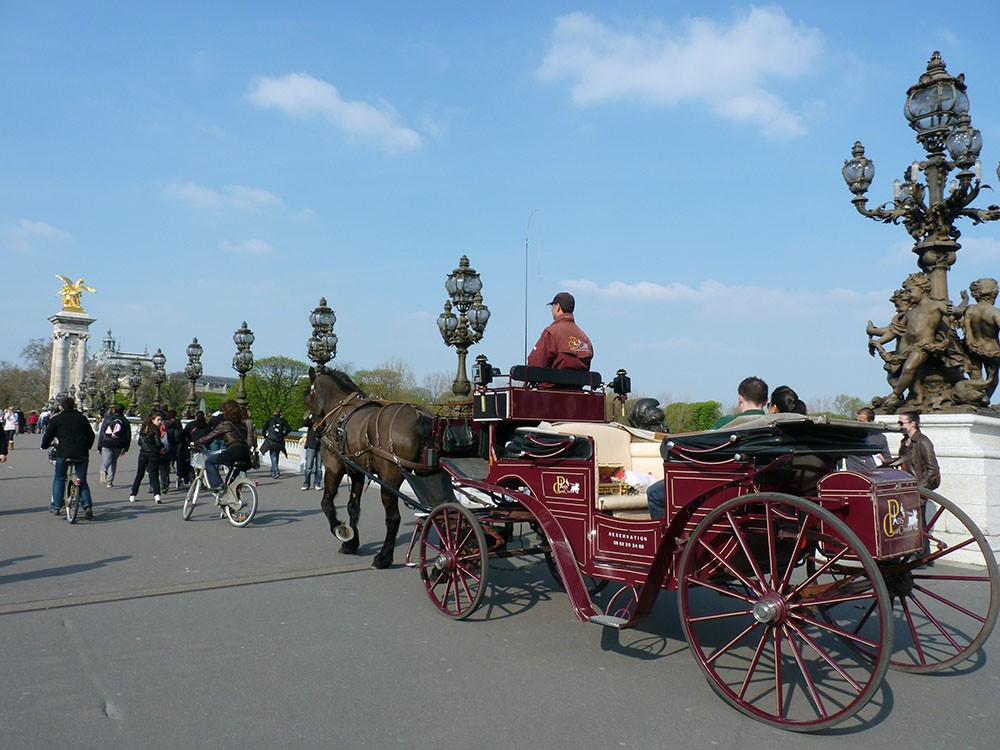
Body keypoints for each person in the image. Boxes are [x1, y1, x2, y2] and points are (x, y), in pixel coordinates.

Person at [40, 397, 95, 518]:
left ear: (61, 407)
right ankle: (87, 506)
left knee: (59, 478)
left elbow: (48, 436)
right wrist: (87, 447)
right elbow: (91, 435)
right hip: (81, 452)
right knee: (82, 480)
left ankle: (56, 506)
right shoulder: (82, 418)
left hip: (64, 452)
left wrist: (44, 446)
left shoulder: (57, 419)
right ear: (74, 405)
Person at [526, 292, 594, 384]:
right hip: (578, 393)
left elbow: (535, 365)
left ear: (557, 307)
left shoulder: (551, 332)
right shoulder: (585, 338)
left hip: (549, 393)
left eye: (552, 306)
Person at [192, 399, 252, 498]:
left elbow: (209, 437)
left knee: (209, 462)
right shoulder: (243, 424)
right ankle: (231, 505)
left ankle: (217, 484)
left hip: (233, 451)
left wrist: (195, 442)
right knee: (230, 482)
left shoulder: (225, 424)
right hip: (245, 454)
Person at [897, 412, 940, 490]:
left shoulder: (923, 441)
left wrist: (920, 487)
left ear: (913, 423)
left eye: (901, 423)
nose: (899, 426)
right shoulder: (904, 441)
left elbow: (933, 469)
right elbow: (904, 460)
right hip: (905, 485)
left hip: (917, 488)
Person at [129, 412, 165, 503]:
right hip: (153, 454)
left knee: (139, 474)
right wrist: (162, 446)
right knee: (154, 475)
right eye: (158, 420)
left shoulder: (143, 429)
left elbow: (139, 442)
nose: (160, 422)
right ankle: (157, 495)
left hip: (143, 453)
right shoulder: (155, 429)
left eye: (161, 420)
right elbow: (158, 443)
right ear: (153, 420)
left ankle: (133, 494)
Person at [845, 406, 892, 471]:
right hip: (854, 475)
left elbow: (888, 458)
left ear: (871, 422)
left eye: (861, 421)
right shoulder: (848, 437)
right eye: (856, 420)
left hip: (873, 476)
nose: (857, 424)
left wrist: (884, 460)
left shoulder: (880, 438)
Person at [96, 403, 131, 487]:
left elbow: (102, 433)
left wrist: (99, 446)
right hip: (118, 444)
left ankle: (103, 470)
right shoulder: (125, 421)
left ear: (113, 410)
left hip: (106, 443)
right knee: (113, 461)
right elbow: (128, 436)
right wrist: (126, 448)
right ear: (123, 411)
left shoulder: (108, 419)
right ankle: (109, 482)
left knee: (107, 460)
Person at [261, 408, 291, 479]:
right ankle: (273, 471)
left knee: (273, 456)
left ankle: (276, 471)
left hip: (271, 440)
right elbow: (289, 429)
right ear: (281, 413)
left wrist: (266, 436)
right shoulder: (283, 420)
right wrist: (283, 434)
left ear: (274, 412)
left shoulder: (270, 420)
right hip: (279, 440)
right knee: (276, 455)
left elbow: (264, 429)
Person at [301, 412, 323, 491]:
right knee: (308, 466)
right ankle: (306, 483)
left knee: (319, 467)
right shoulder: (311, 421)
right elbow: (303, 424)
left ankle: (317, 483)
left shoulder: (322, 421)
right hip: (311, 445)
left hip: (320, 446)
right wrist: (309, 417)